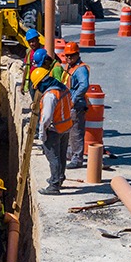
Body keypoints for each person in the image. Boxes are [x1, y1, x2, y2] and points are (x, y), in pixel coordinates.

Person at [31, 66, 75, 195]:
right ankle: (59, 178)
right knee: (61, 155)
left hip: (54, 129)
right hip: (66, 127)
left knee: (53, 157)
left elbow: (46, 117)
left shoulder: (50, 95)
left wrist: (41, 133)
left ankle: (54, 185)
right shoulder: (63, 88)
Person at [62, 42, 91, 169]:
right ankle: (70, 153)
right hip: (70, 104)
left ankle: (77, 158)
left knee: (76, 132)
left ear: (77, 55)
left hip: (76, 105)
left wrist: (73, 99)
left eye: (71, 56)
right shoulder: (70, 67)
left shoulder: (80, 69)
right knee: (69, 130)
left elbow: (84, 85)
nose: (68, 58)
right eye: (67, 56)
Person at [21, 28, 43, 94]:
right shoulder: (29, 53)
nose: (31, 44)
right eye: (29, 42)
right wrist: (23, 84)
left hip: (41, 82)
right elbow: (26, 69)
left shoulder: (44, 51)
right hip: (32, 82)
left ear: (38, 40)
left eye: (33, 41)